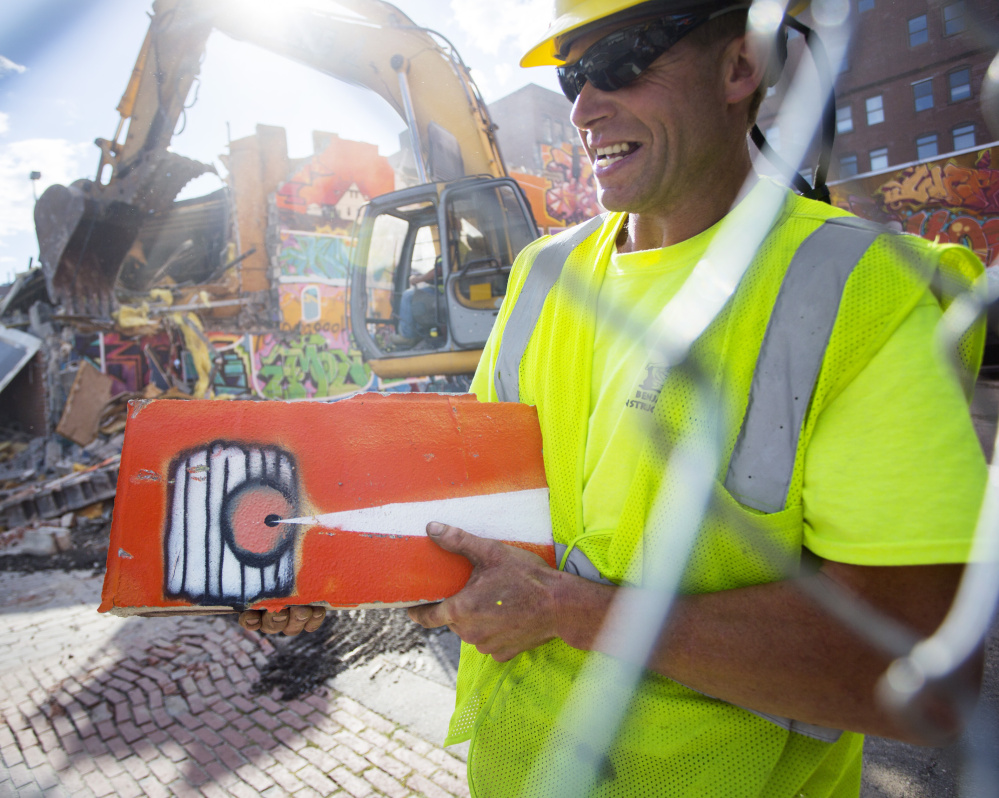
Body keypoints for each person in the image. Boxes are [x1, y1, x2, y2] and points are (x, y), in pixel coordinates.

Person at [241, 2, 987, 795]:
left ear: (740, 67)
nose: (584, 105)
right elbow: (477, 523)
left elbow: (919, 674)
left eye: (623, 61)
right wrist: (321, 565)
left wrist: (567, 610)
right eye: (572, 73)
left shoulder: (861, 291)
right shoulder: (540, 277)